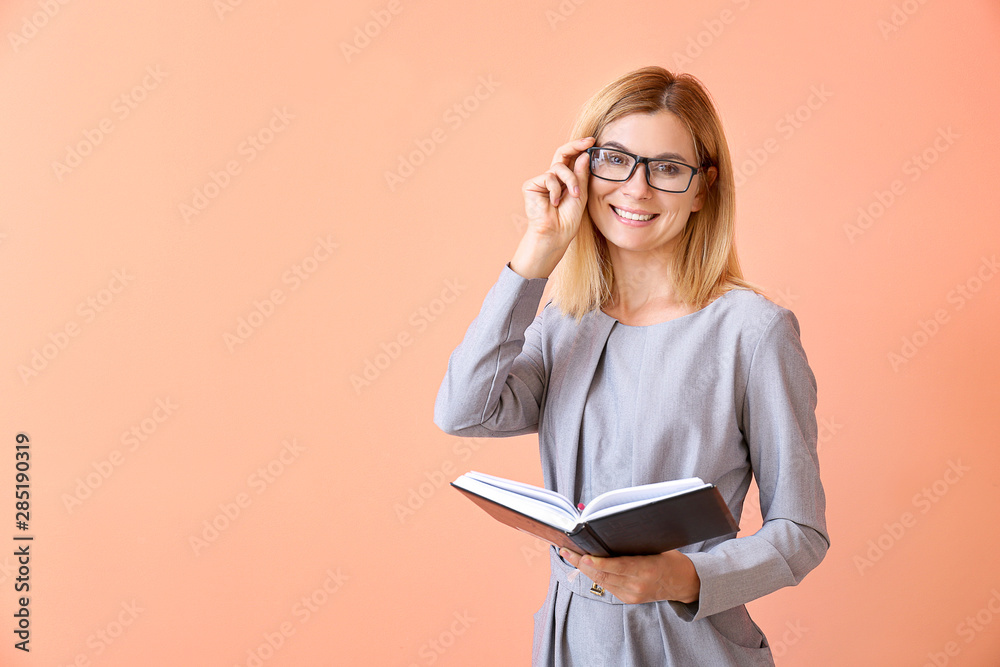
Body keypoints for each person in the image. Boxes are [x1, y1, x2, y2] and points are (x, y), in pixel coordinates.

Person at [434, 65, 829, 666]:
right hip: (571, 642)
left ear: (703, 189)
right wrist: (535, 255)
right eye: (614, 159)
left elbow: (800, 533)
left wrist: (683, 577)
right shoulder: (566, 322)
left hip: (689, 644)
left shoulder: (753, 331)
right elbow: (463, 411)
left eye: (668, 169)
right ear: (581, 172)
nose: (636, 189)